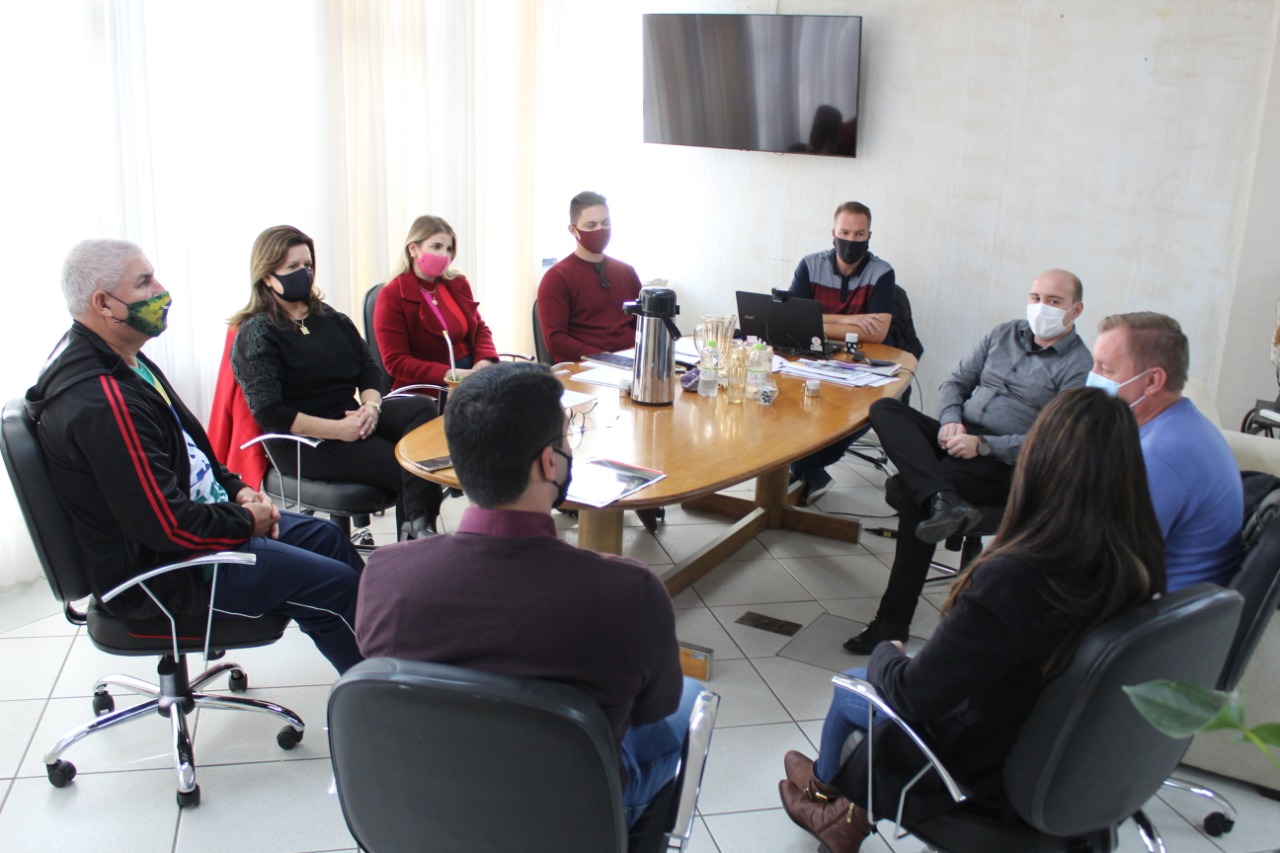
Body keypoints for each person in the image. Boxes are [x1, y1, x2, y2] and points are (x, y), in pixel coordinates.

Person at [780, 388, 1166, 852]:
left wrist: (888, 649)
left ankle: (826, 795)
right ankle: (835, 802)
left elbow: (913, 695)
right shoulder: (1137, 564)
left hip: (984, 762)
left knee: (853, 685)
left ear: (1039, 467)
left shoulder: (1019, 576)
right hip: (1060, 751)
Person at [356, 362, 699, 826]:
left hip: (428, 806)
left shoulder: (383, 575)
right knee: (691, 697)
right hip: (570, 817)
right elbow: (654, 710)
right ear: (548, 462)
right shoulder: (630, 593)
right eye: (567, 437)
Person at [27, 239, 365, 673]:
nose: (160, 290)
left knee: (329, 538)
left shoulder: (124, 361)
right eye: (144, 282)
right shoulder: (102, 403)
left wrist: (237, 490)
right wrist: (245, 521)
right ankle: (380, 699)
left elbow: (192, 451)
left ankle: (389, 662)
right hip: (169, 574)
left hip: (199, 531)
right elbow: (167, 527)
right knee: (337, 586)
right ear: (103, 304)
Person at [845, 269, 1091, 653]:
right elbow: (956, 383)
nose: (1041, 307)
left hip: (1005, 463)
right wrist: (950, 422)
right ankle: (942, 496)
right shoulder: (1004, 334)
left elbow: (1055, 440)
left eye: (1054, 302)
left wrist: (984, 446)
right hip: (959, 435)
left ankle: (891, 623)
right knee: (885, 408)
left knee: (913, 493)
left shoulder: (1079, 365)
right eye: (1036, 298)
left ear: (1076, 310)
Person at [231, 225, 442, 539]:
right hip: (303, 441)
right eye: (292, 266)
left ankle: (417, 531)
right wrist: (339, 430)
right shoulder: (257, 332)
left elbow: (368, 368)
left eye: (308, 265)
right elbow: (269, 412)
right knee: (405, 462)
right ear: (267, 276)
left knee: (422, 408)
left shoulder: (329, 318)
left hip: (350, 418)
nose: (304, 273)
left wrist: (371, 407)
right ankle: (417, 540)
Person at [1089, 312, 1242, 589]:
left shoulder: (1161, 456)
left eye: (1107, 370)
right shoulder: (1182, 422)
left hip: (1154, 607)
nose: (1093, 378)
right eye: (1094, 366)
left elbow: (1107, 567)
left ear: (1152, 381)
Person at [787, 202, 898, 504]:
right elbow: (795, 320)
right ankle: (807, 471)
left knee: (870, 409)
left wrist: (819, 321)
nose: (851, 240)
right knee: (782, 397)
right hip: (811, 358)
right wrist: (851, 321)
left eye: (859, 234)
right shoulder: (810, 265)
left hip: (860, 364)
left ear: (869, 236)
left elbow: (877, 332)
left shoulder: (882, 272)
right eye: (845, 232)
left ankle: (807, 469)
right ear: (833, 233)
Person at [374, 214, 500, 387]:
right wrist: (451, 375)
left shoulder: (457, 283)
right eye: (436, 246)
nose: (444, 255)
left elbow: (479, 328)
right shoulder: (392, 295)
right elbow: (396, 361)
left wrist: (484, 360)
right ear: (413, 249)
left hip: (472, 373)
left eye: (449, 249)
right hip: (431, 386)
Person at [537, 190, 644, 363]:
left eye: (605, 223)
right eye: (591, 225)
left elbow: (642, 324)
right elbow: (555, 341)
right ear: (573, 230)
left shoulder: (627, 272)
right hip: (584, 368)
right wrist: (607, 359)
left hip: (631, 363)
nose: (600, 230)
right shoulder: (556, 278)